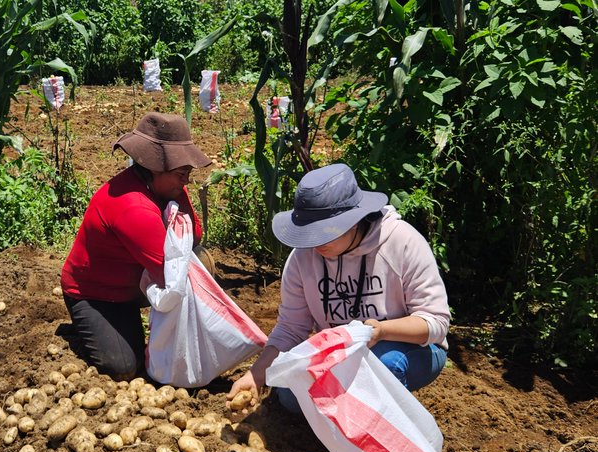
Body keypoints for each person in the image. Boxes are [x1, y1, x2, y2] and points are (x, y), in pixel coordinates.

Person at [228, 162, 450, 408]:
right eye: (308, 232)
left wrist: (382, 330)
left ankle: (375, 436)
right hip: (342, 355)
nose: (315, 242)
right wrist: (256, 375)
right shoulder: (302, 258)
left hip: (411, 349)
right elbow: (291, 328)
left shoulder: (401, 242)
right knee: (289, 394)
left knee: (382, 368)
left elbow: (436, 324)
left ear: (353, 221)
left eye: (324, 232)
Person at [61, 112, 212, 379]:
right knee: (123, 368)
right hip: (98, 294)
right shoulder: (133, 207)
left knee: (201, 261)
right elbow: (170, 272)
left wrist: (178, 191)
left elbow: (195, 235)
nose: (186, 181)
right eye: (181, 174)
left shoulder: (164, 186)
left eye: (187, 173)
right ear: (155, 168)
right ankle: (87, 324)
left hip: (136, 280)